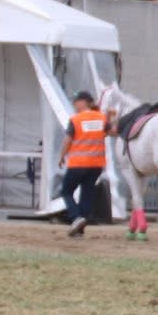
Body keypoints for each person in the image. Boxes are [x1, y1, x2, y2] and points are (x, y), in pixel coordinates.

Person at [59, 89, 109, 237]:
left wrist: (61, 156)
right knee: (86, 194)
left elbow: (68, 140)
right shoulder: (101, 118)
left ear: (83, 102)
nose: (74, 104)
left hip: (78, 163)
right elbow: (111, 131)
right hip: (96, 165)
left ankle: (76, 217)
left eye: (76, 101)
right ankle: (79, 230)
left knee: (66, 191)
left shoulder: (76, 119)